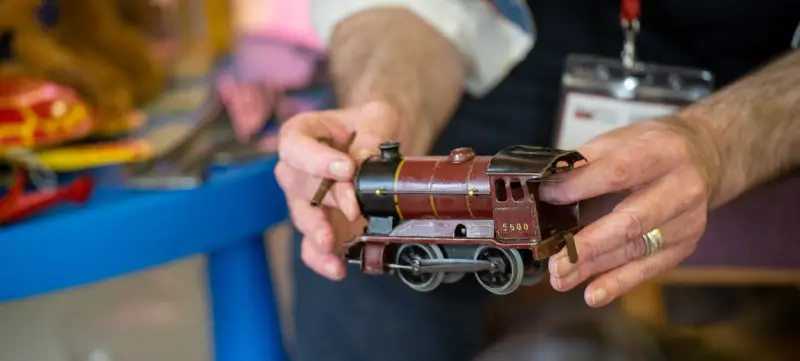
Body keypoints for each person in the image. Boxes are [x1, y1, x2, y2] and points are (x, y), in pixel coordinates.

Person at [274, 1, 800, 360]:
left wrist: (717, 143)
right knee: (347, 229)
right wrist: (386, 100)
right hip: (544, 26)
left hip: (773, 57)